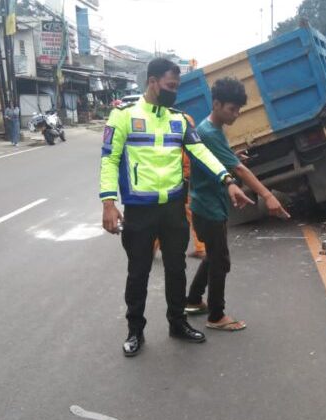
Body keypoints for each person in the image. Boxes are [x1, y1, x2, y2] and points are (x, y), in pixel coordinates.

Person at [100, 58, 254, 357]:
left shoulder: (179, 120)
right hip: (139, 209)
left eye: (177, 87)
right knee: (138, 273)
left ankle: (177, 323)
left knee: (177, 269)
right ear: (153, 81)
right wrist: (108, 203)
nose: (174, 92)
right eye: (170, 86)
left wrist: (227, 179)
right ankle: (135, 330)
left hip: (173, 208)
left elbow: (201, 153)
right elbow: (109, 160)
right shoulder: (123, 117)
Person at [184, 78, 290, 332]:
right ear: (217, 104)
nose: (236, 114)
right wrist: (268, 195)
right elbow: (239, 170)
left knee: (213, 254)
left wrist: (233, 156)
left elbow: (224, 160)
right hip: (209, 207)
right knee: (220, 260)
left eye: (238, 110)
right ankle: (216, 316)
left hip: (205, 204)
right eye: (232, 109)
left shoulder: (210, 128)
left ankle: (194, 300)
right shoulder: (209, 132)